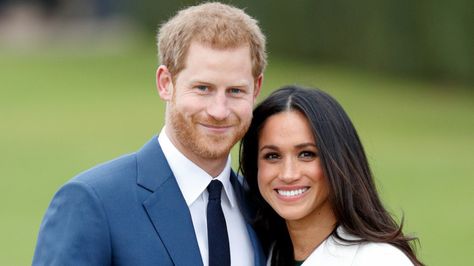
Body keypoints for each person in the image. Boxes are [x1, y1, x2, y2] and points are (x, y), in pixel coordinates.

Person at [33, 2, 267, 265]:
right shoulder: (93, 202)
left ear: (256, 89)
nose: (219, 110)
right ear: (165, 83)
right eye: (203, 88)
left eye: (235, 91)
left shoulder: (263, 207)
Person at [240, 85, 423, 266]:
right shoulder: (261, 253)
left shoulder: (379, 260)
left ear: (338, 161)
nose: (288, 174)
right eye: (272, 156)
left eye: (306, 154)